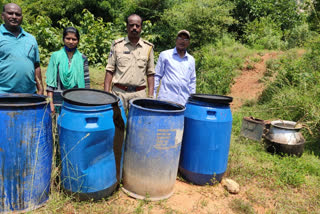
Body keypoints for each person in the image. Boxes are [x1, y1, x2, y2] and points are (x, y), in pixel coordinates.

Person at [104, 14, 155, 111]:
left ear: (141, 28)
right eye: (131, 25)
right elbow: (109, 70)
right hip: (119, 93)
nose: (134, 28)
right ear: (127, 26)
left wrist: (151, 96)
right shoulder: (117, 45)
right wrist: (107, 94)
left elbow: (150, 73)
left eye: (137, 25)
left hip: (139, 94)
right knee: (117, 123)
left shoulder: (148, 48)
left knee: (137, 125)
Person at [0, 3, 43, 94]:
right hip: (3, 94)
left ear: (22, 18)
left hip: (29, 94)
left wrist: (40, 89)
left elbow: (36, 65)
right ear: (2, 16)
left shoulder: (31, 38)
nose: (14, 16)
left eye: (18, 14)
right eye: (10, 13)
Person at [46, 27, 90, 113]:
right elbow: (50, 84)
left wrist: (86, 103)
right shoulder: (55, 57)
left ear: (78, 41)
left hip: (76, 102)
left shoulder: (82, 58)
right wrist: (50, 103)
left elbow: (86, 84)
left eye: (74, 39)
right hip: (57, 102)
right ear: (63, 39)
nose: (71, 42)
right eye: (68, 38)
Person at [154, 30, 196, 106]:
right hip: (166, 99)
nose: (182, 41)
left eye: (186, 39)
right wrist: (153, 96)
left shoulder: (191, 60)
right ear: (176, 40)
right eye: (180, 38)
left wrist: (192, 101)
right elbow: (157, 76)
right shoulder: (165, 55)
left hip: (183, 101)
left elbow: (192, 81)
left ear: (188, 43)